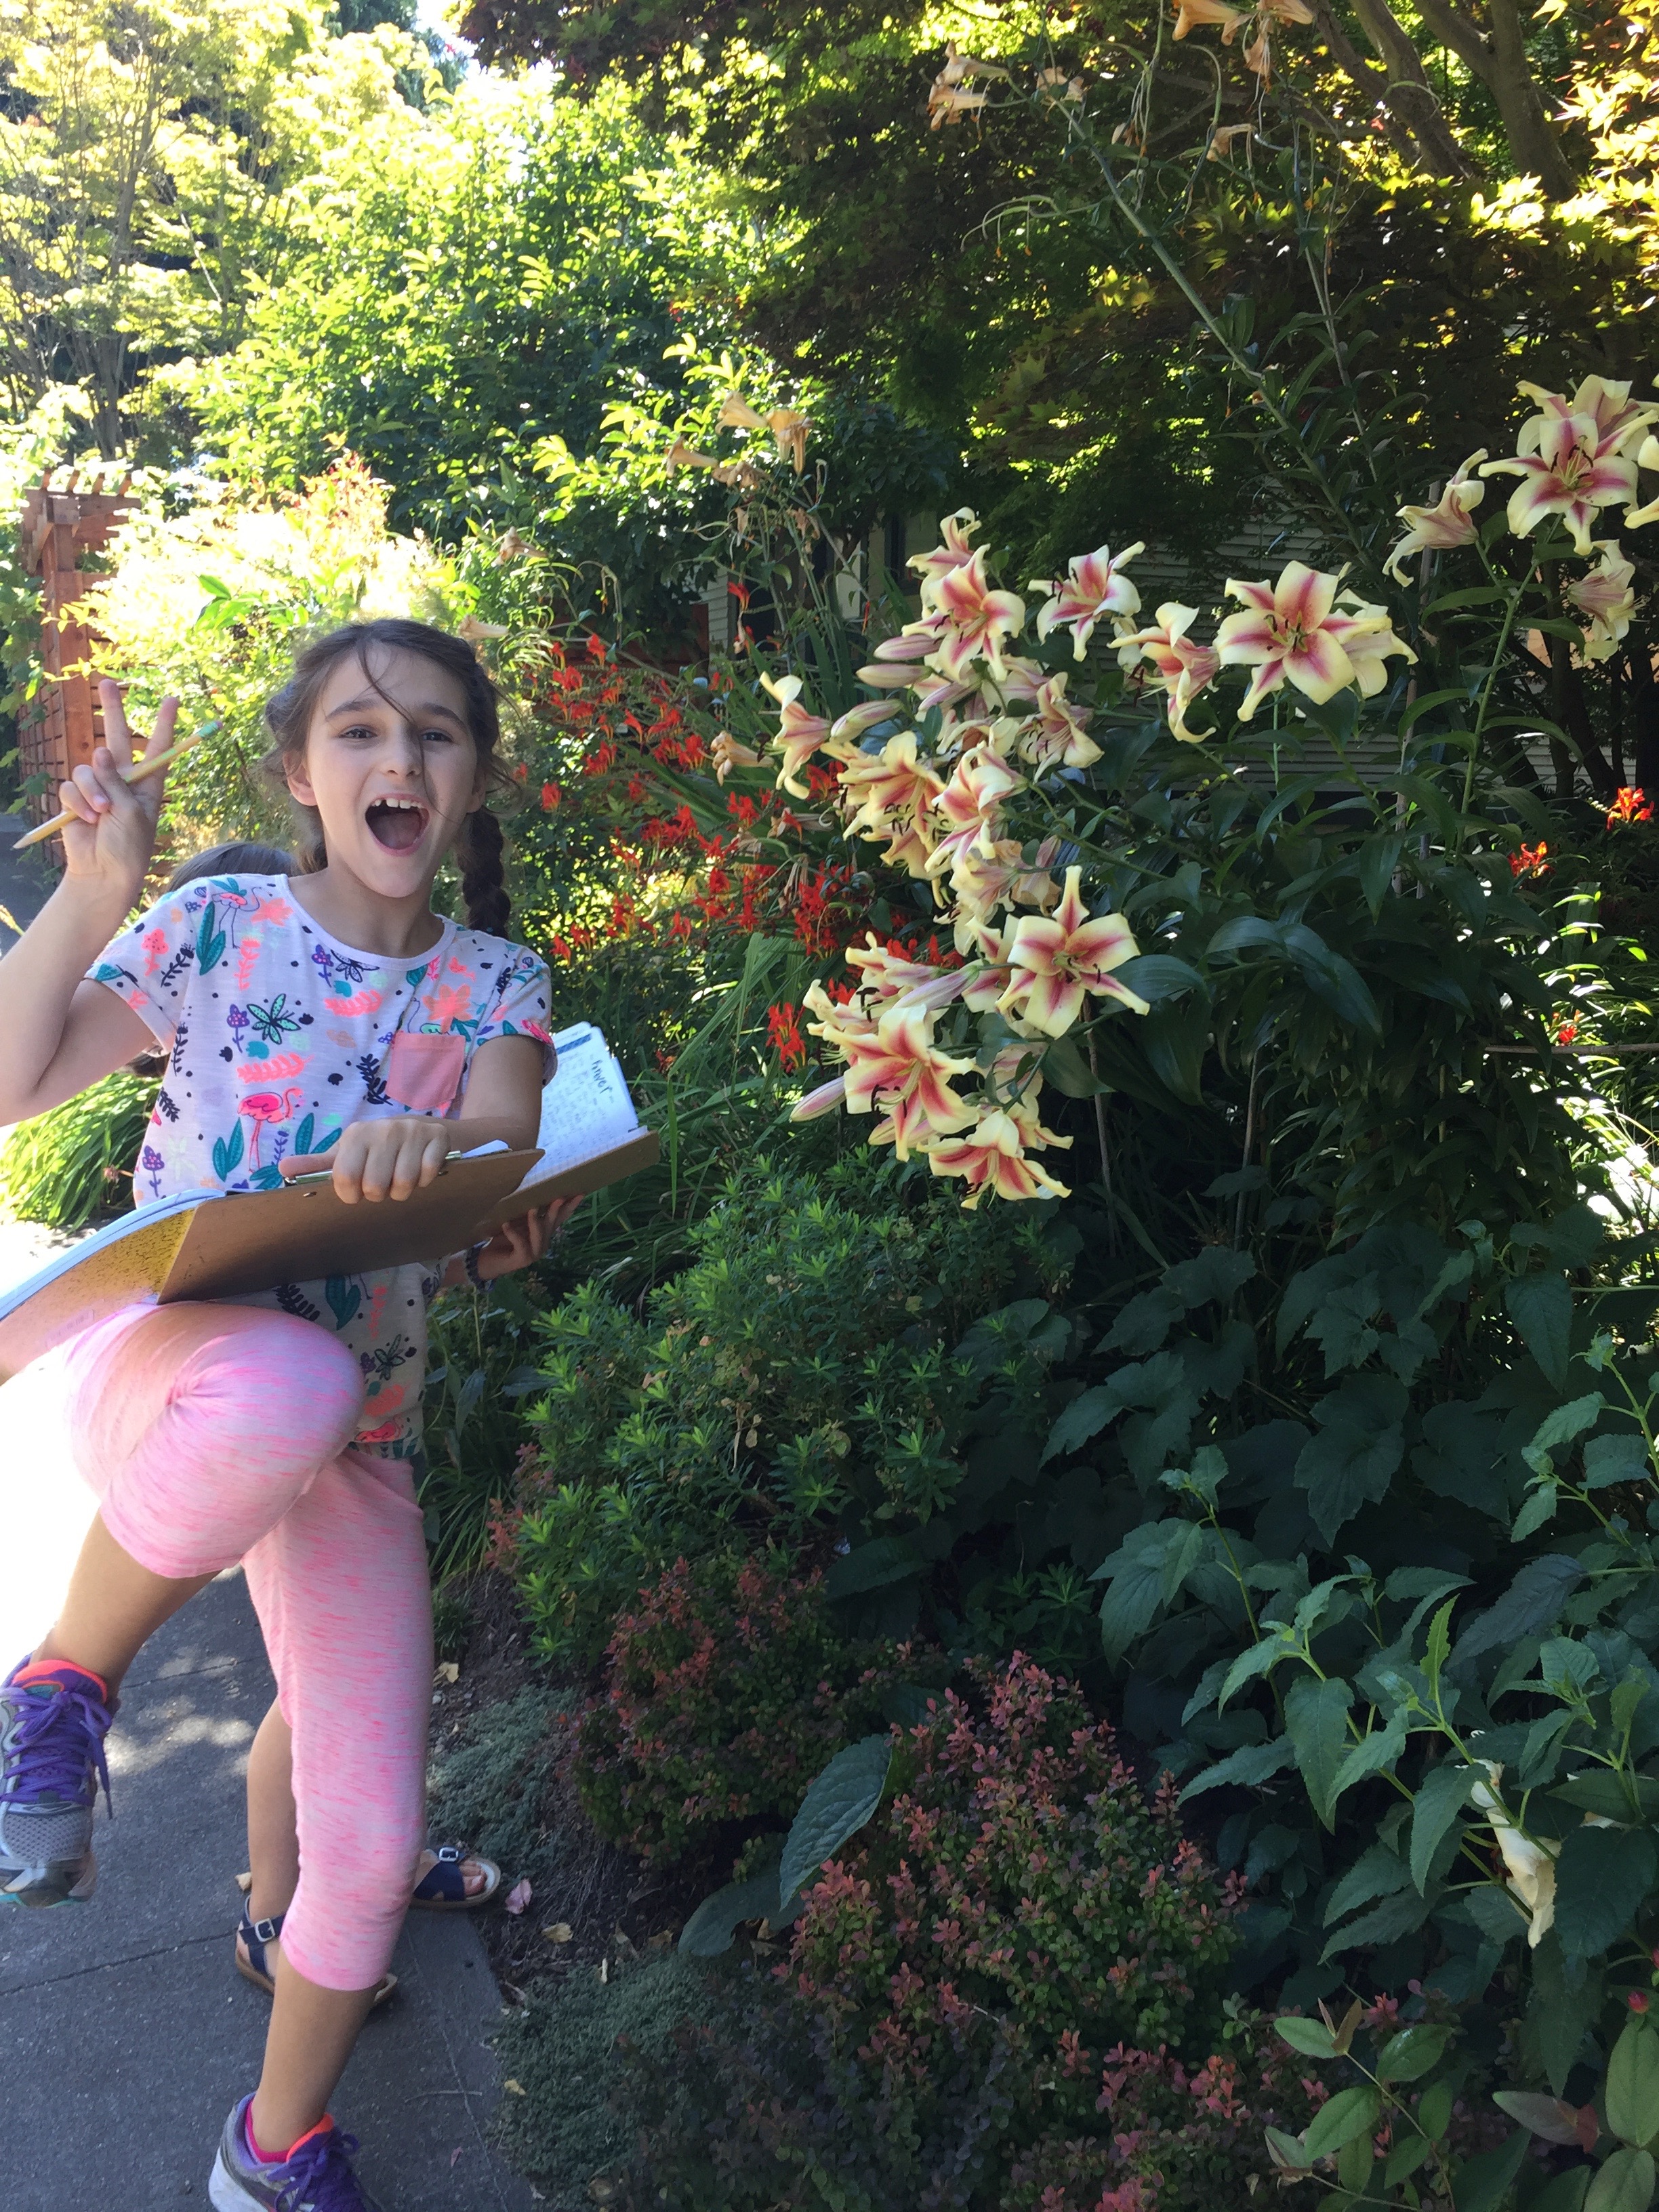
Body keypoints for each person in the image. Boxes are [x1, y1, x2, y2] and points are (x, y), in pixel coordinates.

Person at [0, 619, 575, 2210]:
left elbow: (503, 1135)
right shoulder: (216, 927)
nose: (401, 760)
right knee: (286, 1379)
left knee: (373, 1843)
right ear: (301, 774)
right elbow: (9, 1085)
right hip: (177, 1376)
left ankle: (274, 2151)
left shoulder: (498, 983)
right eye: (361, 731)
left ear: (474, 779)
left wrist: (475, 1185)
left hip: (357, 1443)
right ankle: (60, 1684)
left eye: (436, 733)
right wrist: (95, 892)